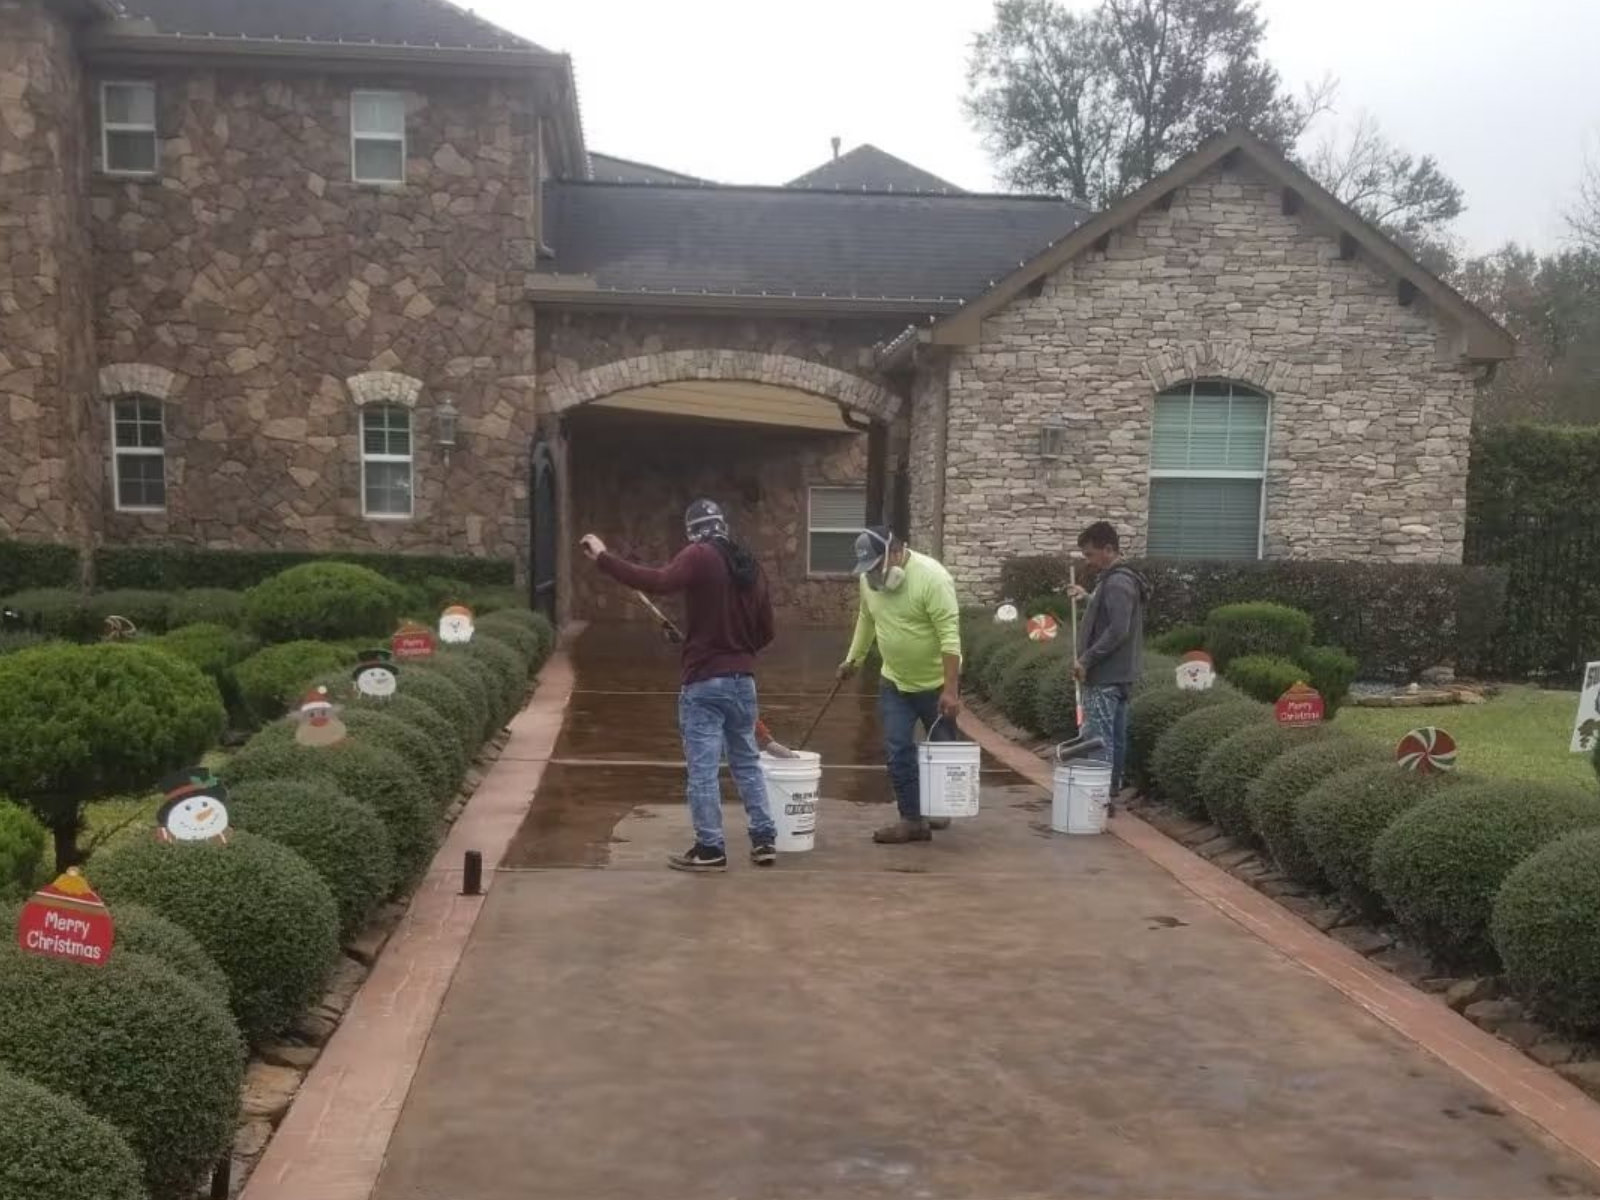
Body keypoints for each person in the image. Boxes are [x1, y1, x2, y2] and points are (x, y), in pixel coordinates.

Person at [580, 499, 778, 873]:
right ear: (722, 526)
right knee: (747, 763)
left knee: (703, 771)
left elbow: (658, 582)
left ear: (693, 532)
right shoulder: (749, 563)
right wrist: (733, 650)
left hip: (704, 684)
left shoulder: (699, 555)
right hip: (743, 682)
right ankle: (765, 839)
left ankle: (710, 848)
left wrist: (604, 558)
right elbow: (766, 630)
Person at [837, 526, 962, 844]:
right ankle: (911, 820)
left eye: (875, 567)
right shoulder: (868, 582)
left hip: (935, 684)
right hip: (894, 681)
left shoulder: (933, 578)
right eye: (866, 570)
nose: (871, 576)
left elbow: (950, 637)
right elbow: (866, 618)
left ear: (895, 552)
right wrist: (853, 660)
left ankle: (940, 806)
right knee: (898, 749)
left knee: (942, 750)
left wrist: (950, 690)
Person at [1069, 521, 1149, 796]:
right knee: (1114, 737)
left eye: (1090, 554)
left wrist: (1086, 660)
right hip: (1119, 675)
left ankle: (1098, 798)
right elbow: (1112, 615)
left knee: (1099, 740)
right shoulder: (1119, 580)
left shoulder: (1117, 582)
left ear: (1108, 549)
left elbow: (1117, 630)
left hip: (1106, 677)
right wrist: (1088, 597)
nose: (1088, 561)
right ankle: (1109, 793)